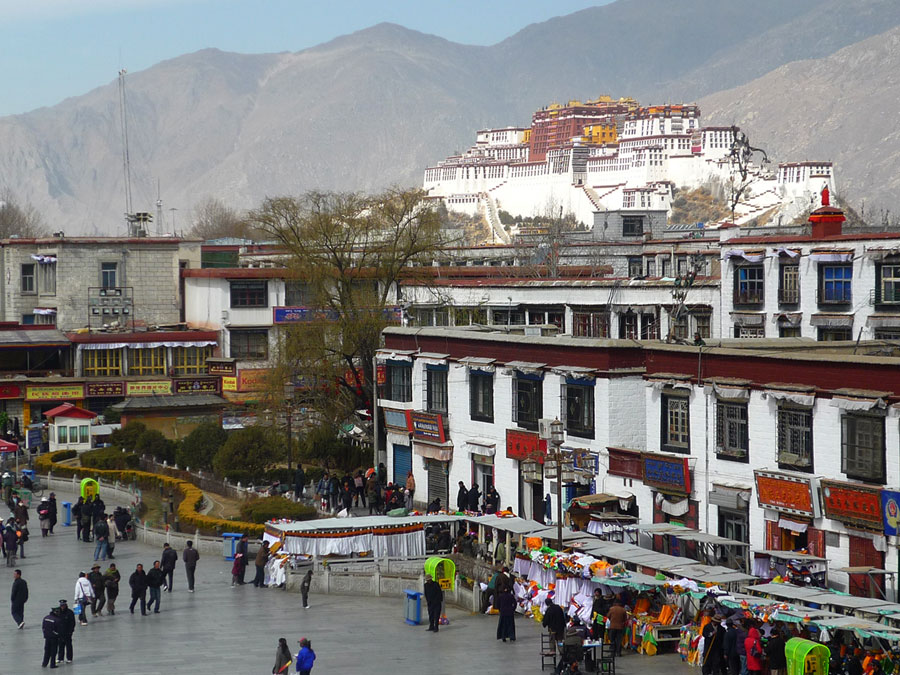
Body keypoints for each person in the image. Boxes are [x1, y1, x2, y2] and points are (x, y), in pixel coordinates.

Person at [56, 600, 76, 664]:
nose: (62, 607)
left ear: (65, 605)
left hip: (67, 632)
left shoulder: (70, 612)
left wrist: (71, 631)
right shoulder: (57, 612)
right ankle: (60, 658)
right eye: (61, 605)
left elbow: (72, 623)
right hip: (60, 632)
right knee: (60, 645)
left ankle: (69, 658)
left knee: (68, 645)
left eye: (63, 605)